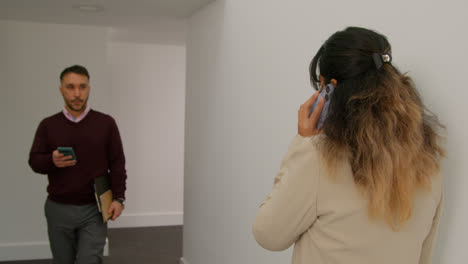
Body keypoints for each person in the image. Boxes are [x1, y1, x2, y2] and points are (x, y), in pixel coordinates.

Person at [252, 27, 445, 264]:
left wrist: (303, 142)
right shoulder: (430, 166)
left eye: (321, 87)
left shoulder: (319, 158)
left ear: (332, 91)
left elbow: (268, 235)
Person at [28, 65, 127, 264]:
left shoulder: (106, 123)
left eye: (82, 87)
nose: (77, 94)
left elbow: (117, 163)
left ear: (89, 88)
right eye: (70, 87)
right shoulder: (48, 125)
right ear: (61, 89)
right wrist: (51, 160)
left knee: (89, 260)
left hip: (95, 208)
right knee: (62, 260)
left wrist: (119, 198)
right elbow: (34, 161)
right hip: (58, 208)